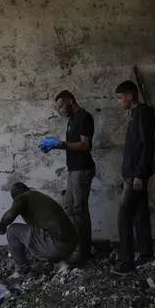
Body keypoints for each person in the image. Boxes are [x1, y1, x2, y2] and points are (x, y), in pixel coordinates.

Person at [39, 90, 95, 264]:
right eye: (58, 108)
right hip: (73, 169)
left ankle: (84, 251)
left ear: (71, 100)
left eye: (62, 105)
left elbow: (85, 145)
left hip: (82, 169)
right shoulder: (72, 119)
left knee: (80, 210)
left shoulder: (84, 117)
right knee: (69, 207)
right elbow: (72, 145)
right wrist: (56, 146)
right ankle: (75, 245)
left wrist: (60, 144)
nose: (61, 110)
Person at [111, 80, 155, 276]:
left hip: (135, 176)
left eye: (120, 98)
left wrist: (140, 174)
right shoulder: (135, 114)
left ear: (130, 95)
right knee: (140, 215)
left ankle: (127, 262)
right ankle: (146, 256)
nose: (119, 101)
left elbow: (148, 146)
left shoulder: (143, 113)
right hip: (132, 175)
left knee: (124, 216)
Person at [0, 182, 77, 275]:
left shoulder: (22, 198)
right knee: (33, 232)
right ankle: (56, 261)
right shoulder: (38, 196)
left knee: (12, 230)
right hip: (71, 245)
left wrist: (0, 227)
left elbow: (9, 216)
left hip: (58, 245)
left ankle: (22, 269)